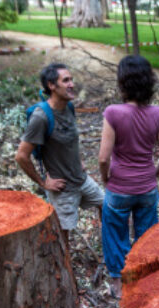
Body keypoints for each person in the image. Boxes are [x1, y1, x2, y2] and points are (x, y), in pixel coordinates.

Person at [99, 55, 159, 299]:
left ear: (122, 82)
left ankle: (120, 285)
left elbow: (103, 157)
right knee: (147, 235)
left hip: (119, 187)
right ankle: (142, 279)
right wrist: (154, 174)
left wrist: (105, 179)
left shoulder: (113, 113)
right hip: (147, 188)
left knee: (115, 234)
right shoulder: (157, 113)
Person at [16, 63, 103, 247]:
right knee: (63, 239)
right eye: (66, 80)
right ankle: (65, 270)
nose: (71, 84)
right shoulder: (41, 117)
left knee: (107, 206)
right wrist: (43, 183)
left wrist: (79, 160)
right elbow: (21, 156)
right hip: (62, 189)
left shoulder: (69, 107)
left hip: (82, 179)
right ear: (51, 85)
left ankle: (108, 246)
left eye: (71, 79)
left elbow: (71, 138)